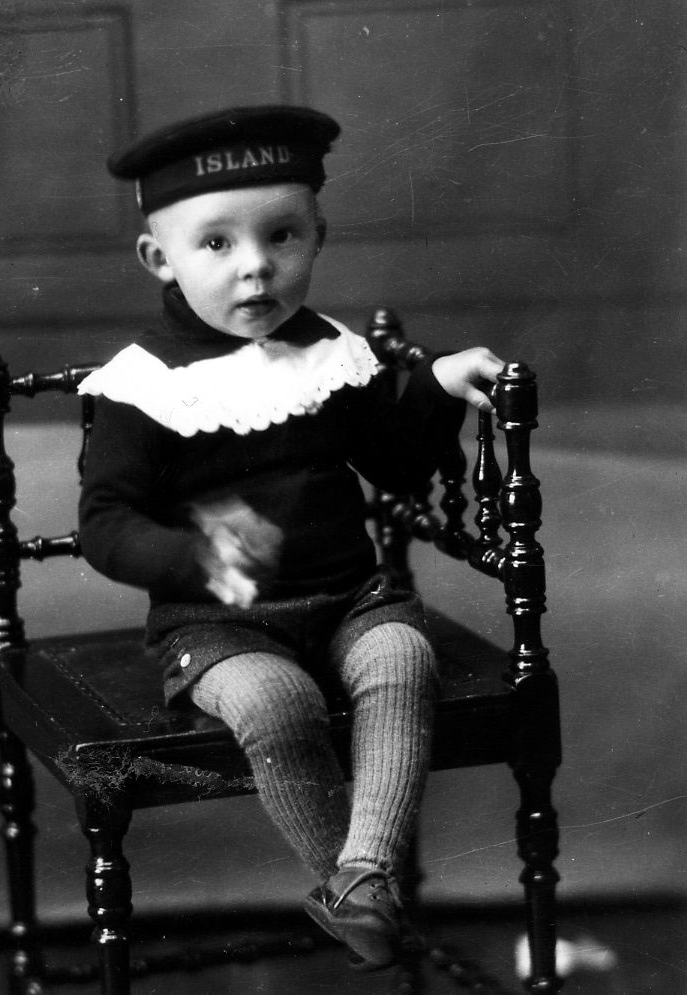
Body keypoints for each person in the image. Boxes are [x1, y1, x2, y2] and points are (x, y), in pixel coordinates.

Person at [78, 105, 504, 971]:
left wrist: (434, 385)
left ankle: (362, 878)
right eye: (217, 244)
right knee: (277, 703)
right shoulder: (143, 385)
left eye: (282, 236)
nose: (256, 266)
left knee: (402, 655)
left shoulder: (331, 353)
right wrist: (193, 556)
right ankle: (358, 889)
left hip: (347, 597)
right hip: (216, 623)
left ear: (318, 236)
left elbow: (395, 465)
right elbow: (105, 525)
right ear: (159, 258)